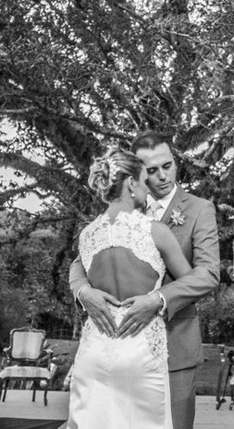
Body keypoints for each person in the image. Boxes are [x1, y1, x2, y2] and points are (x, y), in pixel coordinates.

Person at [69, 132, 221, 429]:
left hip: (174, 347)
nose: (163, 176)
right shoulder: (122, 208)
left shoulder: (199, 209)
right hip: (112, 346)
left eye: (169, 165)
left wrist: (157, 299)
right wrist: (83, 291)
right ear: (136, 174)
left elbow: (208, 273)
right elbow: (78, 265)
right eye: (152, 170)